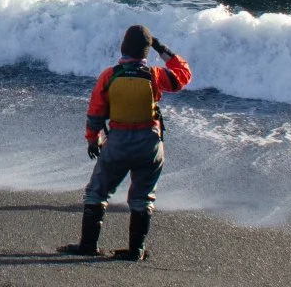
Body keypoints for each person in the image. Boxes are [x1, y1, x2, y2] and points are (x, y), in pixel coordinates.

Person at [60, 25, 192, 261]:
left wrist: (93, 140)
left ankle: (88, 245)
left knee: (96, 192)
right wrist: (162, 49)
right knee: (143, 196)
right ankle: (135, 250)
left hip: (118, 143)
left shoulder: (109, 76)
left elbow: (96, 113)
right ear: (147, 52)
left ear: (122, 48)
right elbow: (183, 74)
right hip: (149, 144)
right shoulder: (155, 75)